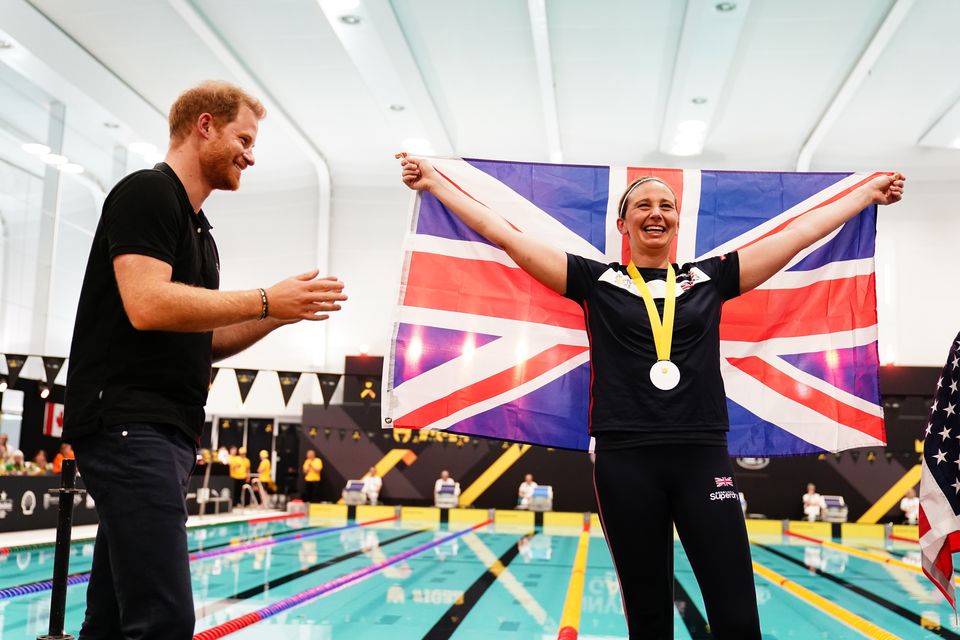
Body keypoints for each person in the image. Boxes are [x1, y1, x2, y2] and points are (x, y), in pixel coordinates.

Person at [401, 154, 904, 639]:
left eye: (666, 206)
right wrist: (435, 184)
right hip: (625, 460)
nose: (656, 213)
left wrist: (864, 194)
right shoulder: (597, 282)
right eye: (642, 205)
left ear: (677, 223)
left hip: (702, 455)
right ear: (623, 224)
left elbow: (796, 236)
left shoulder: (711, 278)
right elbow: (507, 236)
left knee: (736, 615)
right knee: (648, 617)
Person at [62, 80, 347, 640]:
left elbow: (205, 338)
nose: (251, 154)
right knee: (165, 619)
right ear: (205, 125)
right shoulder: (146, 192)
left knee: (114, 618)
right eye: (244, 137)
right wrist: (266, 298)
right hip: (127, 424)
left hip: (163, 431)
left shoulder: (201, 234)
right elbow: (146, 304)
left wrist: (279, 314)